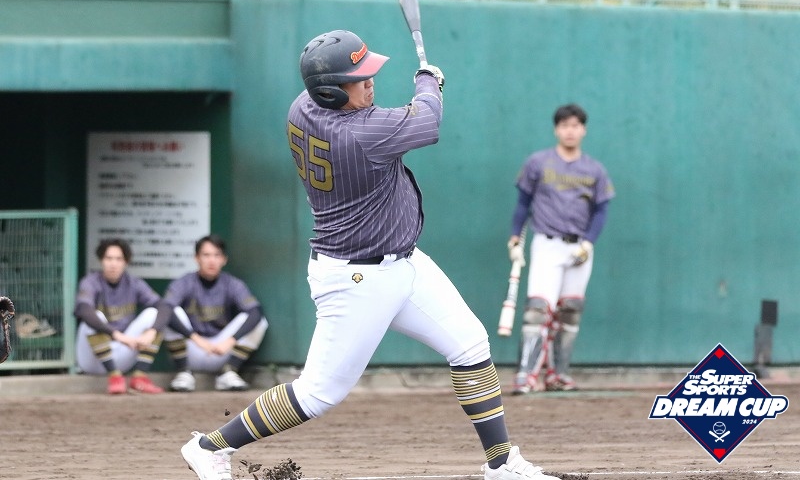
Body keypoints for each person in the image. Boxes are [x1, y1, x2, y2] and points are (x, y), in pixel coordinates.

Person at [179, 29, 560, 480]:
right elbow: (427, 120)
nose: (370, 81)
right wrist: (428, 80)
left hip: (403, 262)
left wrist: (413, 87)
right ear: (329, 91)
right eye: (358, 78)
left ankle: (501, 463)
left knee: (470, 343)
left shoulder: (302, 107)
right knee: (317, 393)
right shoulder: (360, 134)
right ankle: (210, 447)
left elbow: (394, 116)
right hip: (357, 279)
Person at [507, 103, 615, 395]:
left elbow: (601, 211)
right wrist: (515, 238)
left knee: (570, 312)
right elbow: (523, 204)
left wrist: (589, 242)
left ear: (583, 130)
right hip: (547, 244)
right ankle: (526, 375)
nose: (570, 131)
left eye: (575, 125)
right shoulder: (538, 162)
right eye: (565, 125)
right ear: (557, 129)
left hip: (579, 248)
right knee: (537, 311)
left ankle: (558, 375)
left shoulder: (594, 169)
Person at [162, 234, 268, 392]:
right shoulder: (185, 282)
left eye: (217, 255)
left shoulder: (231, 283)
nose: (211, 260)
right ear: (196, 258)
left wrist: (230, 341)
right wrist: (195, 338)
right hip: (192, 350)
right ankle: (183, 372)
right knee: (169, 312)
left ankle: (229, 371)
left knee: (259, 321)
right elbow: (166, 308)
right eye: (206, 255)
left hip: (221, 350)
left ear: (224, 260)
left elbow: (255, 312)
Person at [74, 238, 171, 394]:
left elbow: (164, 306)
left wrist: (152, 332)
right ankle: (114, 376)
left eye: (118, 259)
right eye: (109, 258)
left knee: (153, 314)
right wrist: (116, 335)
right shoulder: (91, 282)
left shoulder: (134, 283)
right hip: (91, 360)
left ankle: (139, 377)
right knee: (95, 317)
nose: (113, 264)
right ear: (101, 260)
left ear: (126, 262)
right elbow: (84, 310)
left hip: (121, 354)